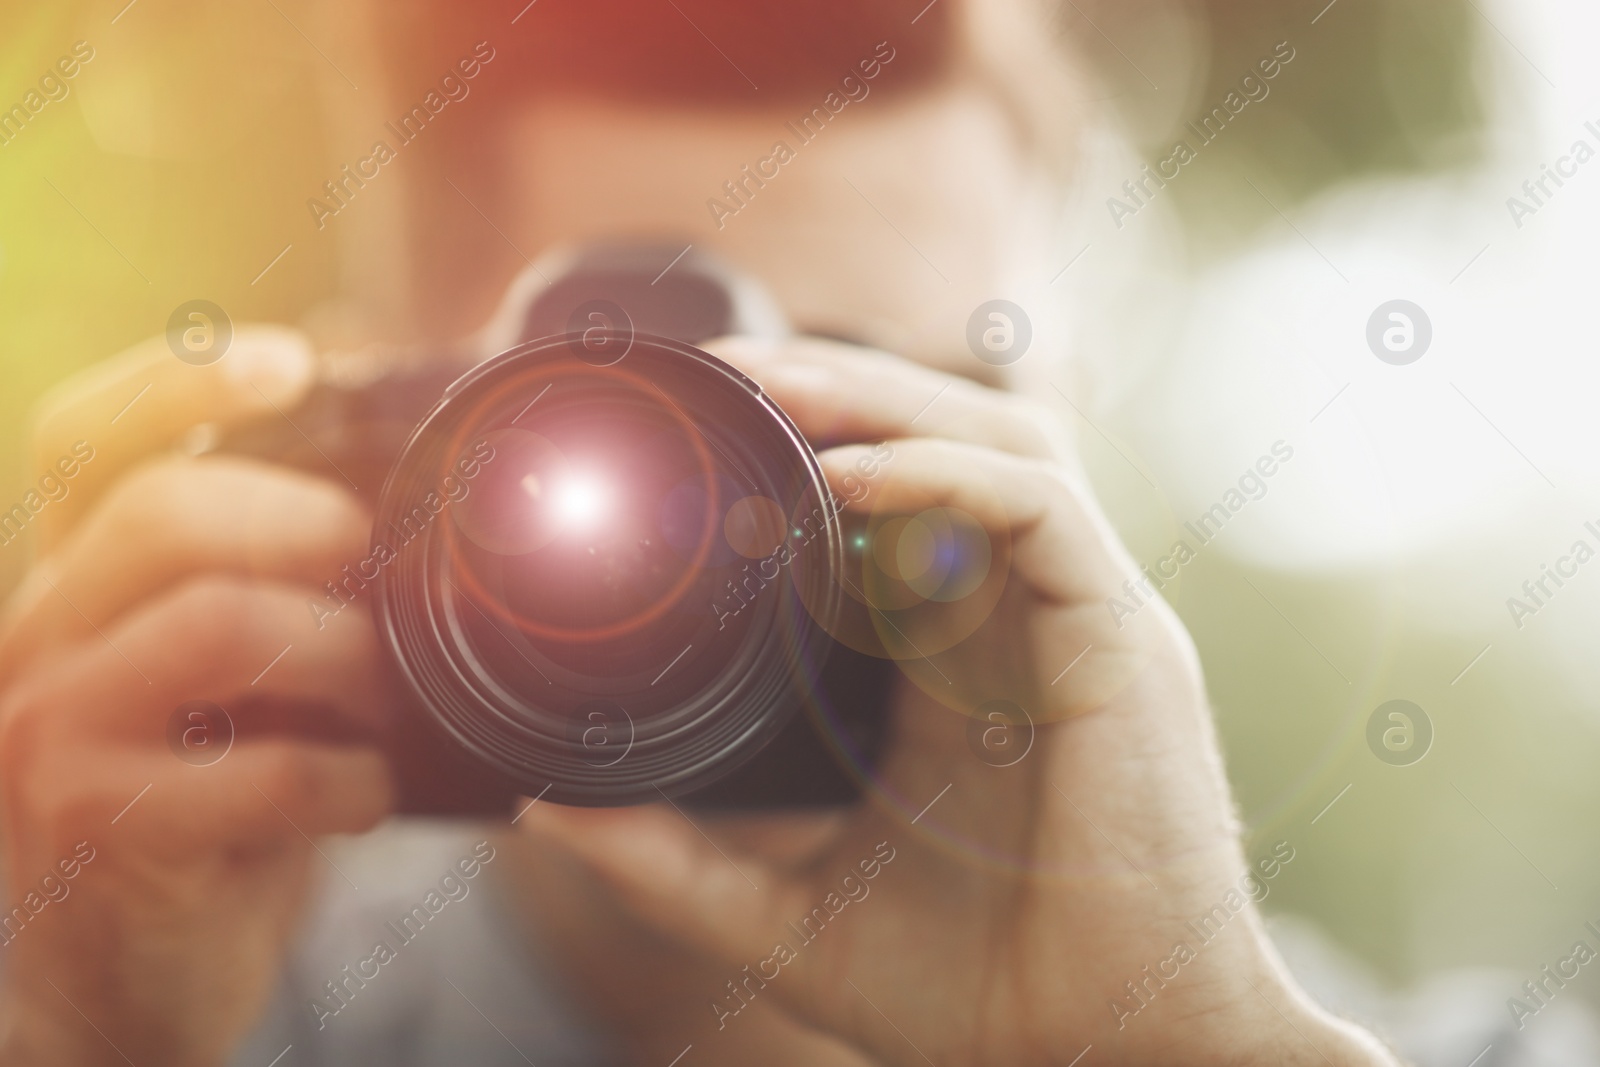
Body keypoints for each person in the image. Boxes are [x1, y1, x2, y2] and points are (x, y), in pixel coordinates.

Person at [0, 2, 1400, 1063]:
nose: (777, 527)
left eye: (892, 409)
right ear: (386, 455)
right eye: (646, 428)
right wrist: (69, 1027)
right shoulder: (178, 986)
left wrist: (1186, 1041)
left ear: (1054, 434)